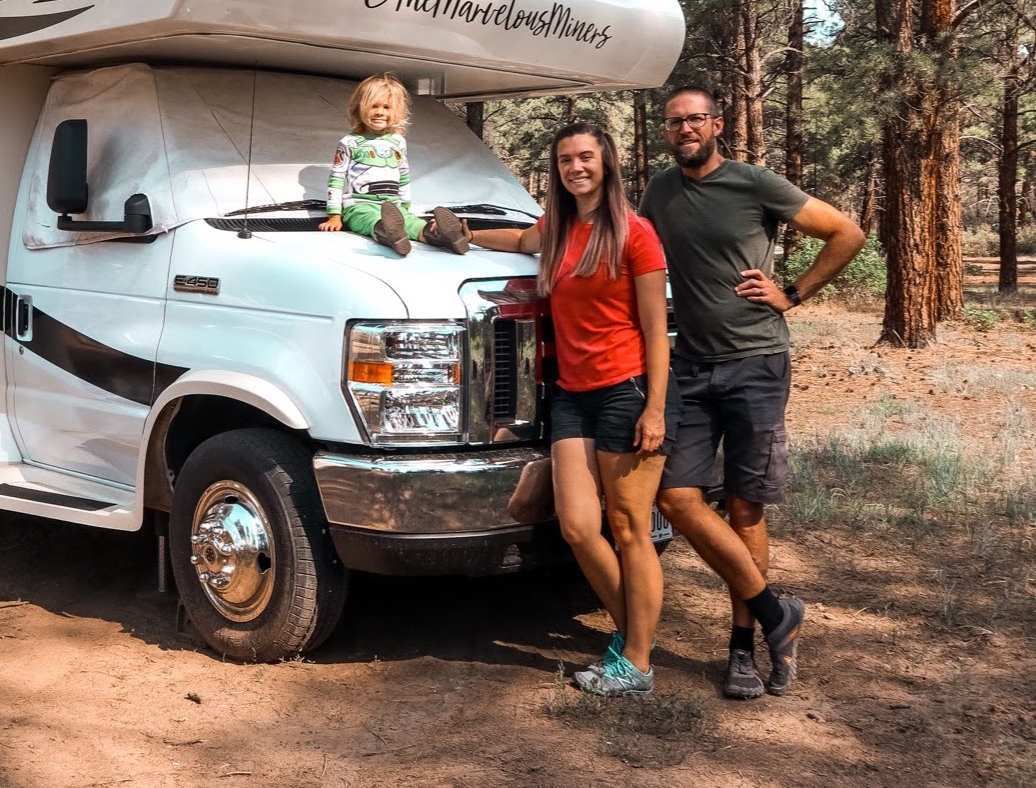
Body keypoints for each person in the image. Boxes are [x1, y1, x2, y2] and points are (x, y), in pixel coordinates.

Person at [639, 87, 865, 700]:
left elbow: (846, 232)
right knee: (675, 496)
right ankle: (775, 613)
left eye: (695, 119)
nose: (685, 128)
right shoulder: (658, 192)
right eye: (674, 121)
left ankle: (742, 648)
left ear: (716, 124)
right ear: (667, 131)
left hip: (755, 364)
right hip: (689, 366)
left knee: (744, 508)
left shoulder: (755, 183)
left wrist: (793, 292)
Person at [476, 122, 675, 697]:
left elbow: (657, 332)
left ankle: (635, 662)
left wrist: (655, 409)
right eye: (565, 160)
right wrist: (458, 233)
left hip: (626, 390)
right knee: (579, 527)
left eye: (585, 157)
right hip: (572, 394)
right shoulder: (558, 229)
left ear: (606, 162)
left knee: (630, 528)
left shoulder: (636, 234)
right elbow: (517, 243)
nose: (575, 168)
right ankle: (634, 639)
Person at [319, 73, 471, 256]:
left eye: (387, 107)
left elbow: (404, 176)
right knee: (368, 220)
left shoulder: (398, 142)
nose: (380, 112)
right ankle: (389, 233)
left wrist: (405, 207)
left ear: (397, 112)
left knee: (414, 223)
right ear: (359, 107)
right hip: (359, 205)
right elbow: (336, 179)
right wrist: (334, 215)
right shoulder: (350, 142)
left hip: (393, 206)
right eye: (373, 106)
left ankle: (442, 236)